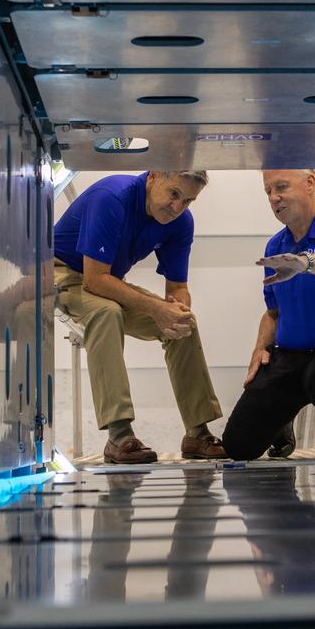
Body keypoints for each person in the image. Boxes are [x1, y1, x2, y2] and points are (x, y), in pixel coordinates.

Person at [53, 170, 226, 463]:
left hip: (106, 278)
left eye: (187, 201)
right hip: (61, 272)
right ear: (154, 176)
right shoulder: (111, 198)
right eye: (173, 194)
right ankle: (119, 436)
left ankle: (197, 432)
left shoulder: (181, 222)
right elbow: (93, 281)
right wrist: (156, 309)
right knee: (107, 313)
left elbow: (179, 288)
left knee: (184, 321)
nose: (177, 208)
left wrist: (176, 311)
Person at [222, 169, 315, 461]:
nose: (274, 198)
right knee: (238, 446)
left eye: (281, 187)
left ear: (310, 184)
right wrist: (259, 350)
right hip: (289, 358)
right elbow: (273, 313)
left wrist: (306, 263)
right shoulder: (275, 247)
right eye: (268, 191)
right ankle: (283, 421)